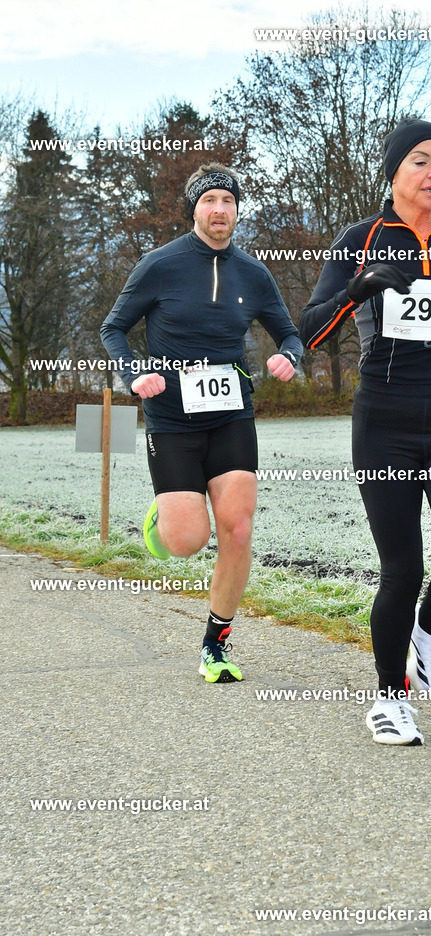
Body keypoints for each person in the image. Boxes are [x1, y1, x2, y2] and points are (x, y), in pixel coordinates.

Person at [299, 119, 431, 745]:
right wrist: (357, 288)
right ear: (393, 171)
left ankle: (426, 632)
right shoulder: (360, 237)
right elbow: (311, 327)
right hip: (385, 423)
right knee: (402, 567)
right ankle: (390, 701)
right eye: (420, 161)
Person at [101, 163, 302, 684]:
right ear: (195, 208)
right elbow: (114, 327)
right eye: (209, 200)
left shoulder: (254, 274)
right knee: (188, 540)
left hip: (232, 413)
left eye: (228, 201)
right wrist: (134, 374)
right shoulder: (159, 265)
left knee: (237, 529)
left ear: (237, 209)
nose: (219, 209)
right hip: (171, 418)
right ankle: (166, 517)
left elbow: (289, 333)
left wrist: (289, 356)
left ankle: (216, 642)